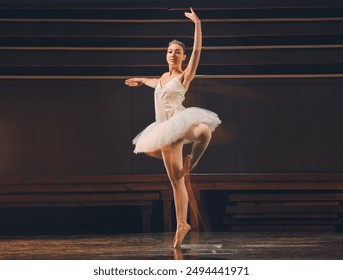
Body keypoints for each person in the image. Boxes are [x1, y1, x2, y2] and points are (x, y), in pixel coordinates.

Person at [125, 7, 221, 248]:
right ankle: (182, 223)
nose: (173, 54)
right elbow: (154, 83)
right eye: (170, 51)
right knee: (175, 181)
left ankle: (191, 165)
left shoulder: (184, 77)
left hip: (179, 122)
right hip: (163, 128)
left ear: (183, 57)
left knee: (204, 132)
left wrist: (197, 24)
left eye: (177, 52)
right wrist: (140, 80)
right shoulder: (161, 78)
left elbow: (198, 50)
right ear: (165, 55)